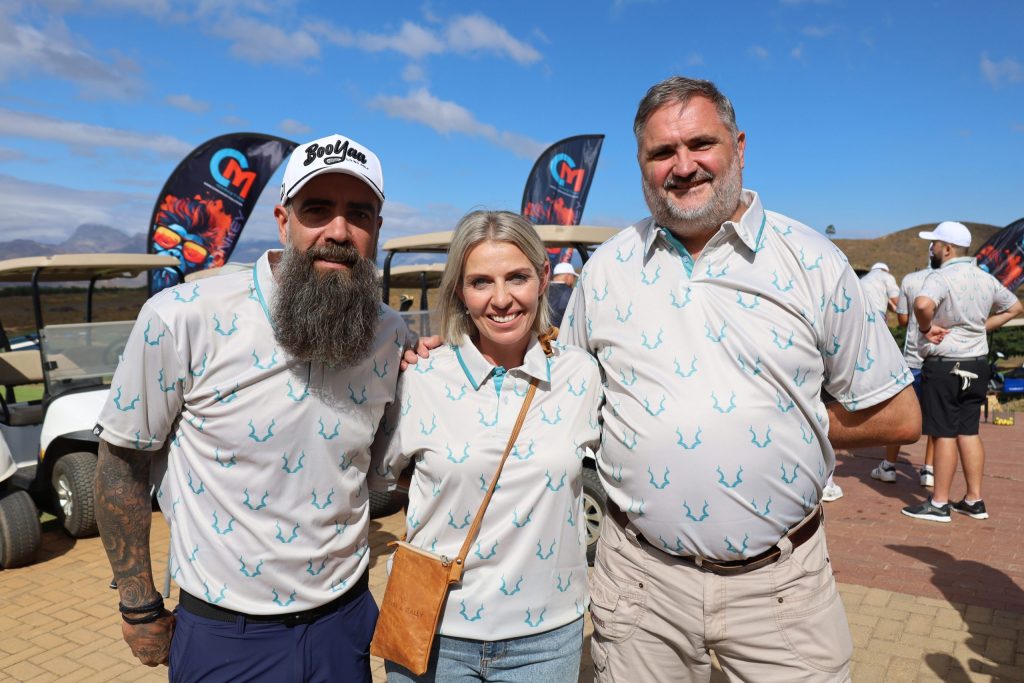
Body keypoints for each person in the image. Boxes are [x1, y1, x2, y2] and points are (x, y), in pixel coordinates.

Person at [562, 76, 921, 682]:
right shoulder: (607, 272)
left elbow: (900, 416)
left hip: (781, 592)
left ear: (740, 146)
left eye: (701, 143)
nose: (683, 166)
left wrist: (784, 422)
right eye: (661, 153)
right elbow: (563, 392)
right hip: (639, 589)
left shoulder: (813, 262)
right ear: (642, 165)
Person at [94, 132, 408, 682]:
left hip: (347, 626)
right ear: (283, 221)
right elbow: (122, 462)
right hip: (224, 638)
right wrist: (139, 607)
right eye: (317, 210)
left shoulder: (390, 334)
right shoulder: (182, 317)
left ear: (376, 230)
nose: (339, 230)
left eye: (359, 213)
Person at [370, 210, 602, 682]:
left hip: (547, 635)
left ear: (541, 279)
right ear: (459, 290)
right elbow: (374, 483)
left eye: (517, 277)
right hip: (433, 628)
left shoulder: (580, 376)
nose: (501, 299)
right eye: (481, 282)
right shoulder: (421, 377)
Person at [901, 221, 1022, 523]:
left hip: (945, 365)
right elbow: (1015, 308)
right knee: (968, 431)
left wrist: (927, 328)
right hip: (977, 363)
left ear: (947, 248)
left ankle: (939, 503)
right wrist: (980, 327)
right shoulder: (985, 279)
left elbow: (922, 303)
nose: (931, 248)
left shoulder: (940, 277)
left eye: (934, 243)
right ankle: (974, 500)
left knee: (943, 433)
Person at [871, 264, 935, 485]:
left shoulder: (911, 279)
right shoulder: (952, 280)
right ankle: (928, 470)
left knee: (899, 412)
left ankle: (889, 465)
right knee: (937, 418)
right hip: (940, 359)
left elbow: (903, 320)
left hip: (913, 358)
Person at [546, 261, 578, 325]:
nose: (574, 280)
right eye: (573, 277)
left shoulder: (543, 289)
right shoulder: (570, 292)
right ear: (567, 276)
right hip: (559, 332)